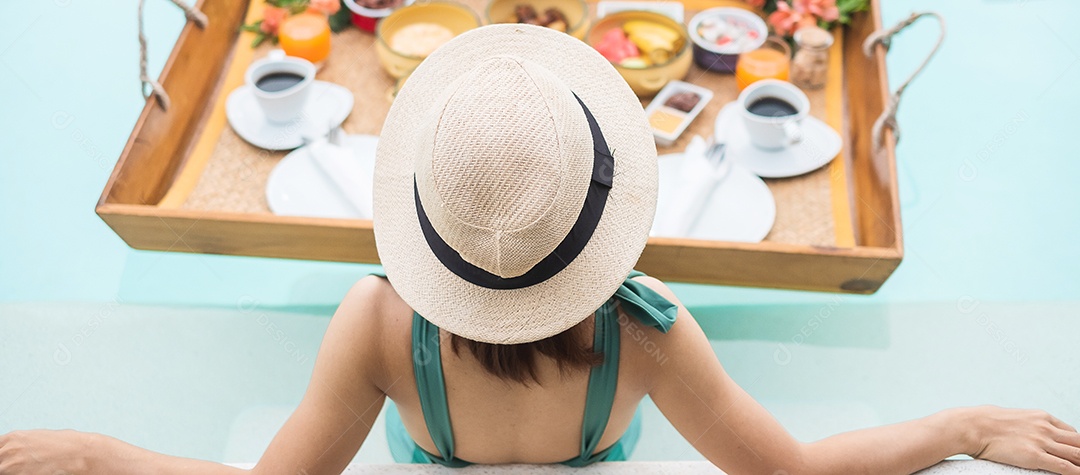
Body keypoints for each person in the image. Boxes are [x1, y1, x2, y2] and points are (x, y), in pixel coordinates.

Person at [1, 24, 1078, 475]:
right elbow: (788, 470)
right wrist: (964, 425)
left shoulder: (376, 326)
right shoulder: (649, 331)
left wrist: (97, 454)